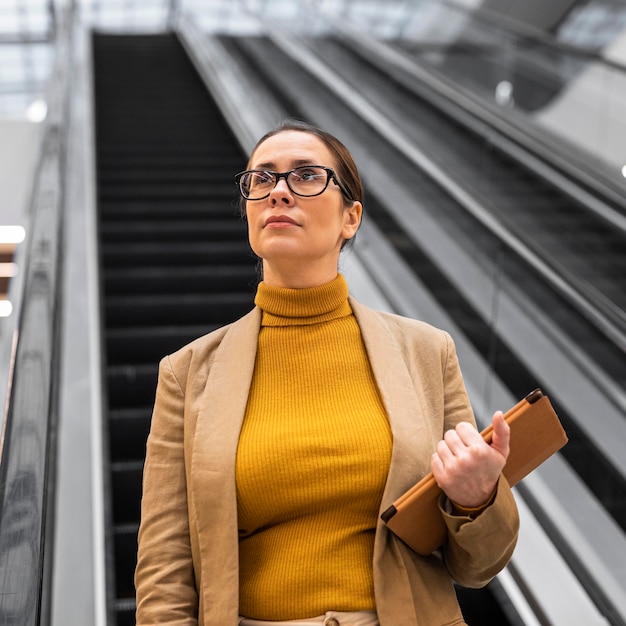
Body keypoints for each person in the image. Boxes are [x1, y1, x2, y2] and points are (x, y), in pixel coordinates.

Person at [134, 120, 519, 626]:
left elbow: (477, 567)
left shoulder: (426, 352)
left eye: (307, 176)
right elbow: (164, 567)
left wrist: (478, 501)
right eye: (262, 179)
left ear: (350, 218)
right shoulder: (187, 374)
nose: (279, 192)